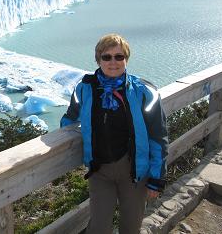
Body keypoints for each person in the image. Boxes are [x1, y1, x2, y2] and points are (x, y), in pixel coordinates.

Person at [60, 34, 168, 234]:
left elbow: (158, 136)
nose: (113, 62)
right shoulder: (85, 88)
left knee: (130, 227)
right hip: (100, 172)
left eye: (119, 56)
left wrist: (157, 177)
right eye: (106, 57)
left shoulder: (144, 91)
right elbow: (70, 118)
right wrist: (63, 142)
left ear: (126, 59)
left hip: (135, 172)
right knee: (99, 228)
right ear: (98, 59)